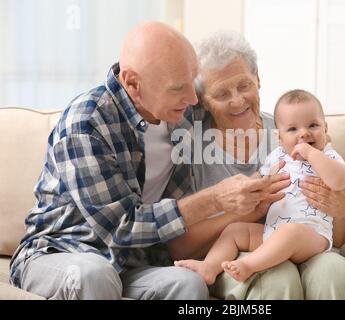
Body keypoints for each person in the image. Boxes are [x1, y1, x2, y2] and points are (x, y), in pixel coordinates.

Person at [8, 22, 274, 300]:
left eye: (193, 82)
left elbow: (236, 106)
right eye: (178, 88)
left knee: (189, 283)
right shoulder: (87, 123)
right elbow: (121, 228)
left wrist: (288, 150)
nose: (193, 98)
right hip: (64, 251)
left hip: (135, 262)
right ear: (133, 84)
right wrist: (216, 199)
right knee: (95, 274)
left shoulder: (184, 109)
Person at [164, 31, 345, 299]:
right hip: (239, 254)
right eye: (221, 93)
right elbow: (179, 247)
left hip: (309, 242)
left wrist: (344, 210)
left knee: (333, 270)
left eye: (244, 85)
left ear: (258, 79)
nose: (237, 100)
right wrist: (243, 211)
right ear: (204, 101)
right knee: (276, 279)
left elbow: (338, 237)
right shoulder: (189, 150)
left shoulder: (296, 131)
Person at [175, 88, 345, 284]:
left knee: (290, 232)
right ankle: (209, 267)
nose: (304, 134)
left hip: (311, 236)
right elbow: (259, 179)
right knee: (234, 230)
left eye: (313, 125)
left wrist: (311, 154)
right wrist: (250, 187)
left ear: (325, 128)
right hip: (272, 233)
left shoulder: (328, 156)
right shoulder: (277, 156)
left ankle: (249, 265)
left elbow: (339, 180)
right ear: (278, 137)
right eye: (293, 129)